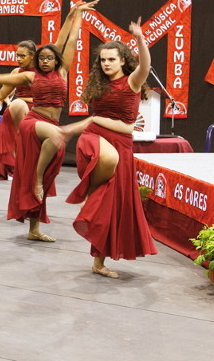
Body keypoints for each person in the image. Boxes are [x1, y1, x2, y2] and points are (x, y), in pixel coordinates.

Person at [0, 0, 97, 242]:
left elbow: (71, 40)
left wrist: (76, 16)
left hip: (51, 126)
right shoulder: (28, 76)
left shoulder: (63, 70)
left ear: (56, 60)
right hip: (33, 123)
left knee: (47, 175)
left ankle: (34, 228)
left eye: (49, 58)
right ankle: (35, 179)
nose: (45, 61)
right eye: (42, 58)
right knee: (55, 140)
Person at [63, 19, 158, 279]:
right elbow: (94, 118)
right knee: (105, 170)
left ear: (122, 61)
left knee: (111, 207)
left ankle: (98, 262)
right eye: (103, 60)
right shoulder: (98, 85)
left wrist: (139, 38)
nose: (106, 64)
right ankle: (90, 192)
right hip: (95, 140)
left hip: (121, 146)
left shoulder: (132, 82)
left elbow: (145, 65)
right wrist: (80, 127)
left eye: (111, 60)